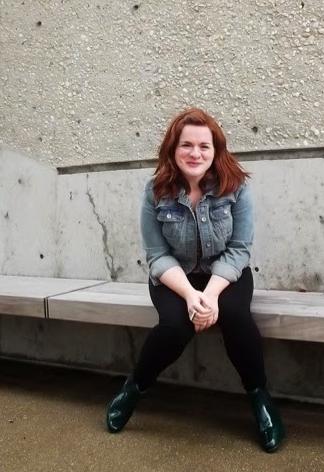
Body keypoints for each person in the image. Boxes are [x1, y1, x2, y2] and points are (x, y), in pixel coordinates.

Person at [105, 107, 284, 453]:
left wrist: (211, 295)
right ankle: (133, 389)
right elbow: (157, 255)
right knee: (175, 325)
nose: (195, 153)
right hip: (175, 278)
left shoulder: (236, 188)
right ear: (173, 149)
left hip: (227, 276)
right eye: (186, 145)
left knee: (236, 316)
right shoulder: (155, 191)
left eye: (204, 146)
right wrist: (190, 295)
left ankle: (260, 397)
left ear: (216, 151)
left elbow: (240, 250)